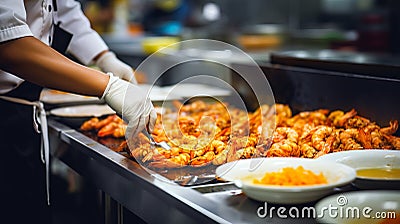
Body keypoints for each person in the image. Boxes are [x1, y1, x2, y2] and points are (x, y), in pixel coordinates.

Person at [0, 1, 156, 223]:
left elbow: (63, 10)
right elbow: (8, 43)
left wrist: (104, 58)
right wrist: (108, 85)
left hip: (23, 114)